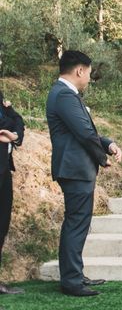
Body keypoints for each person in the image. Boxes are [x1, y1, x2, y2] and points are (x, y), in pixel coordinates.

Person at [46, 50, 122, 297]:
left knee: (78, 223)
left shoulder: (65, 94)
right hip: (74, 169)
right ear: (80, 70)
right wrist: (103, 158)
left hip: (75, 168)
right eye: (88, 73)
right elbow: (84, 133)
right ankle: (71, 281)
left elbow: (87, 130)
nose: (89, 78)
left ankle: (75, 275)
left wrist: (108, 143)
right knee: (76, 224)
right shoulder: (64, 95)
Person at [0, 90, 25, 296]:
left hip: (4, 169)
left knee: (2, 224)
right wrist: (10, 127)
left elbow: (19, 120)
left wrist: (14, 134)